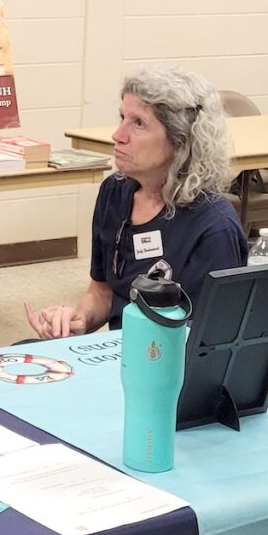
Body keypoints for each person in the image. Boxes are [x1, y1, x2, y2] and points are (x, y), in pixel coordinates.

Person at [25, 66, 247, 339]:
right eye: (122, 118)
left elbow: (209, 340)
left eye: (138, 123)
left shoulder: (213, 228)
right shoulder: (115, 192)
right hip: (118, 352)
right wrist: (77, 321)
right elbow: (103, 291)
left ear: (181, 142)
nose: (118, 135)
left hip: (167, 365)